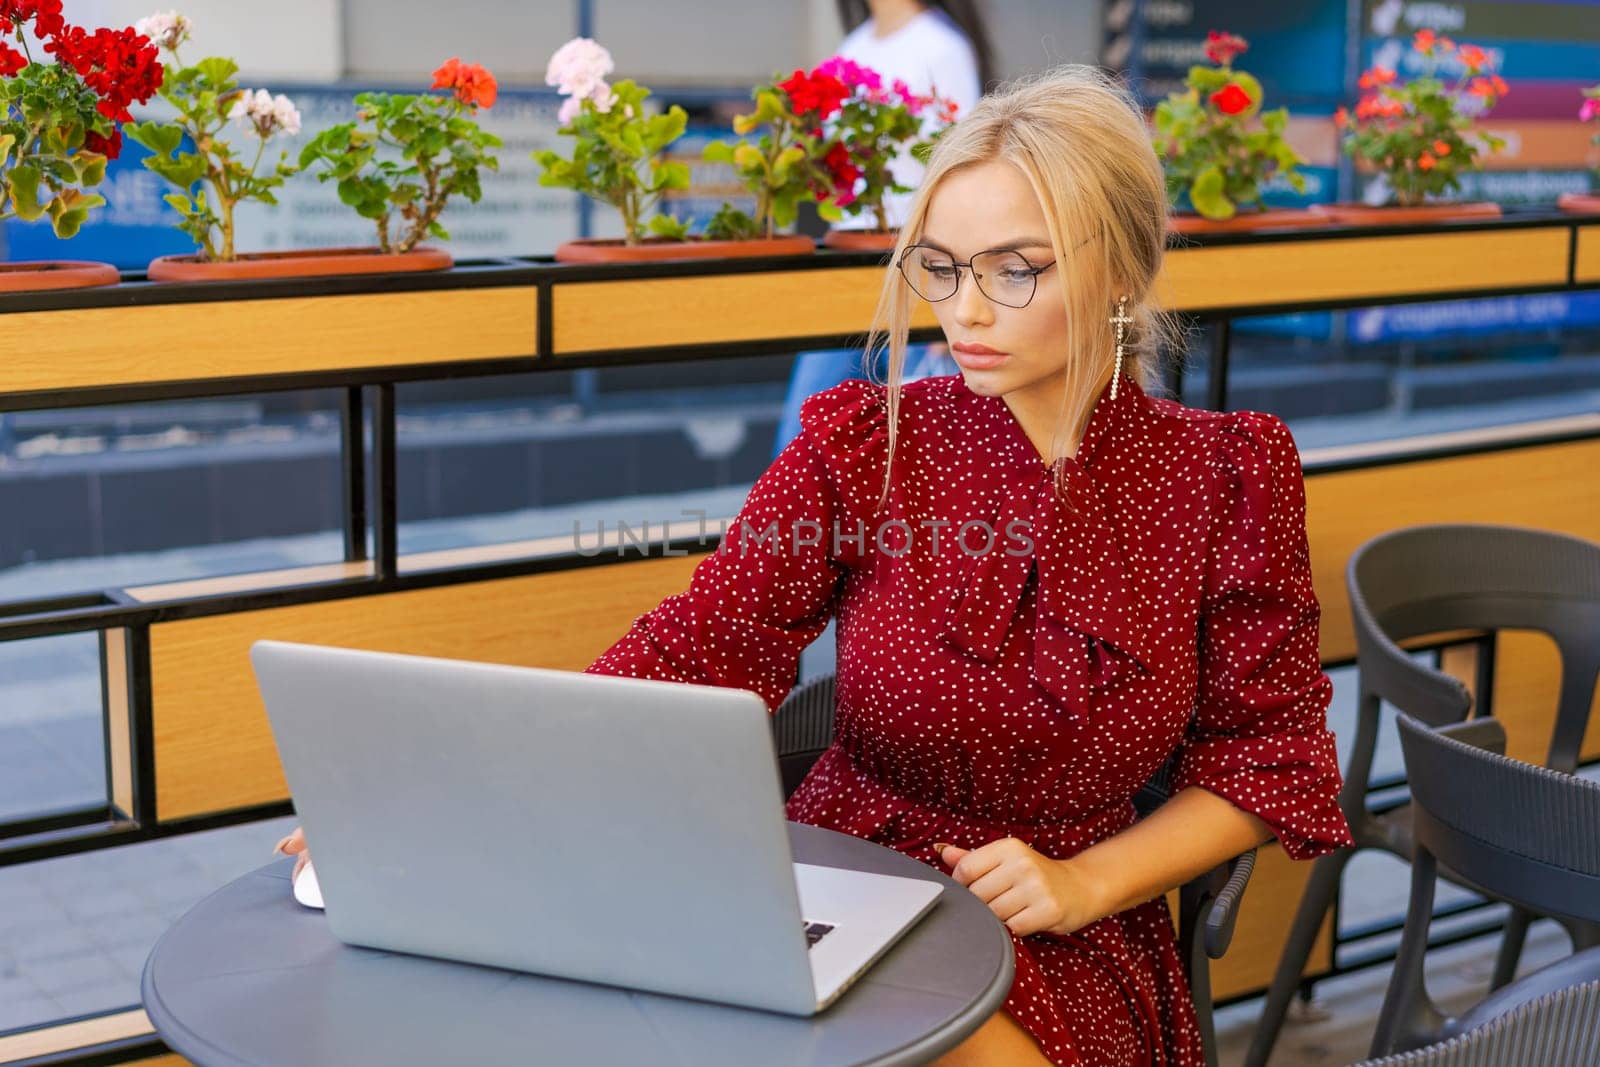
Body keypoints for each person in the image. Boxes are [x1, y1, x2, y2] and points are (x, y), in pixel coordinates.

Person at [280, 65, 1355, 1065]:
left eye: (1013, 270)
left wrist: (1082, 880)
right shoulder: (865, 442)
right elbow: (696, 649)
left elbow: (1266, 762)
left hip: (1059, 924)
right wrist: (429, 800)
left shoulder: (1225, 476)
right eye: (936, 266)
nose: (963, 310)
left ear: (1123, 270)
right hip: (850, 888)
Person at [770, 0, 989, 460]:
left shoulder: (943, 47)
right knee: (802, 437)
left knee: (909, 444)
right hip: (849, 265)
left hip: (915, 272)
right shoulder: (856, 45)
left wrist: (946, 291)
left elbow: (964, 171)